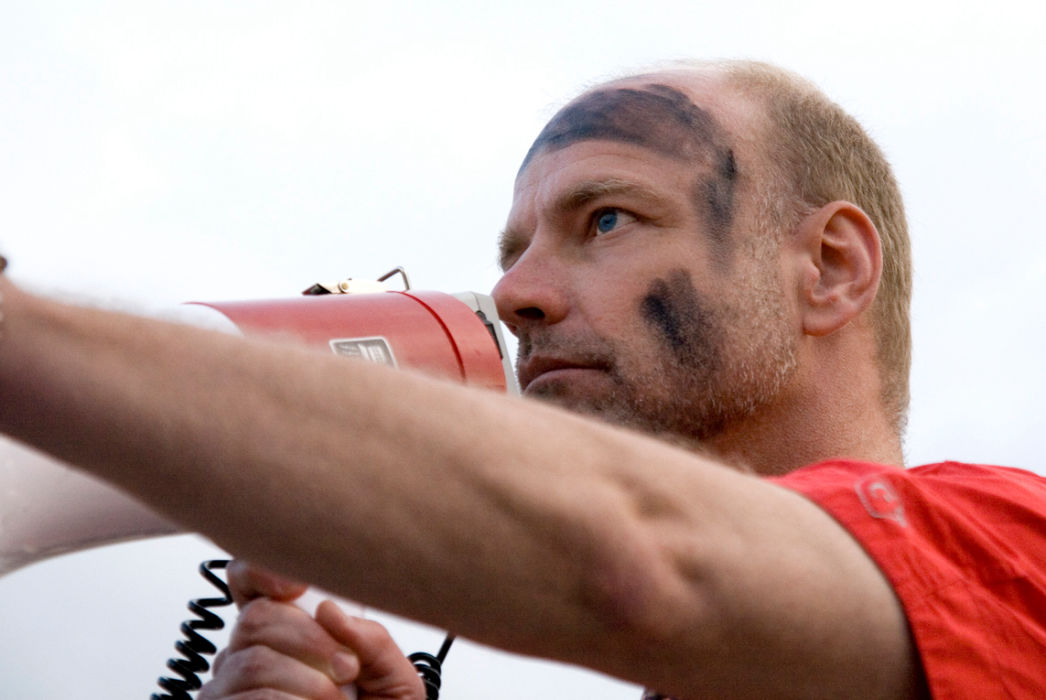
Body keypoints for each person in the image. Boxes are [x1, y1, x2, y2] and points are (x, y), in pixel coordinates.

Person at [0, 59, 1043, 699]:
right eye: (511, 251)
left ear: (826, 268)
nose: (516, 295)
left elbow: (632, 557)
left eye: (606, 220)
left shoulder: (1005, 547)